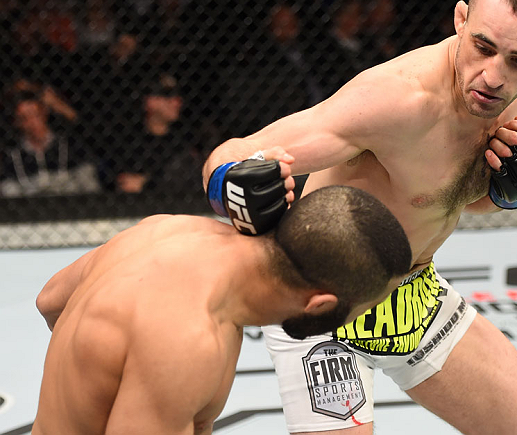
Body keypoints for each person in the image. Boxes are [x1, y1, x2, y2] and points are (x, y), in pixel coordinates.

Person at [203, 0, 517, 434]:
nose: (494, 76)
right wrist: (227, 182)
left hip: (413, 297)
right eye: (482, 46)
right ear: (461, 20)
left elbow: (458, 199)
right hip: (325, 303)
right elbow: (236, 154)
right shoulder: (398, 100)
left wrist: (508, 192)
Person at [33, 184, 413, 435]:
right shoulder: (187, 343)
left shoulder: (169, 230)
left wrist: (101, 364)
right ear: (320, 305)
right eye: (362, 309)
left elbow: (50, 299)